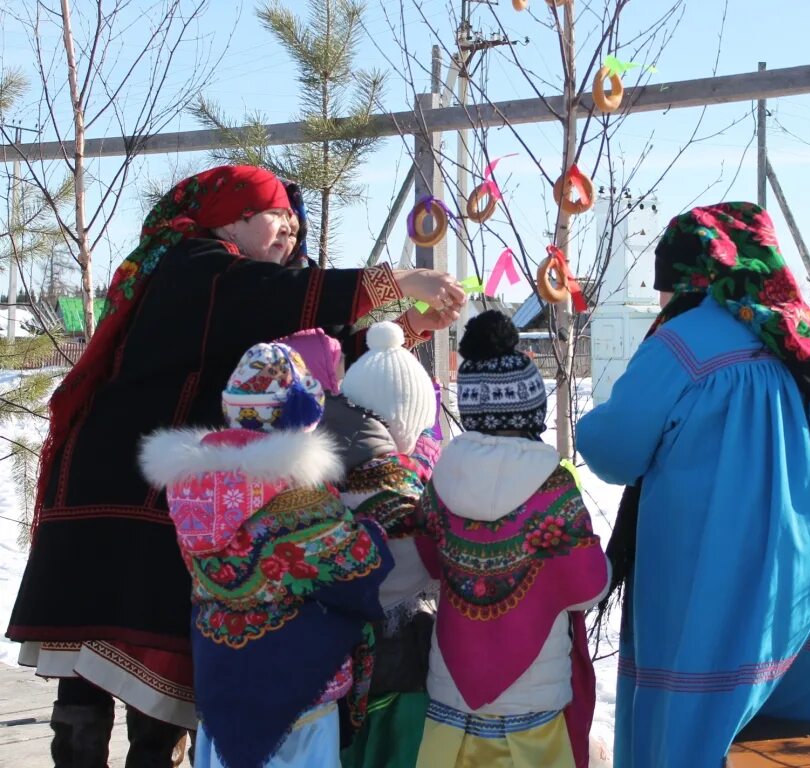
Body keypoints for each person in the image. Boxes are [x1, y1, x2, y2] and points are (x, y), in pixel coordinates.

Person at [5, 164, 465, 767]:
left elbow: (308, 351)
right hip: (127, 486)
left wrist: (402, 327)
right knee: (133, 646)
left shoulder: (218, 280)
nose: (288, 232)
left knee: (132, 651)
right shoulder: (195, 265)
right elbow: (271, 302)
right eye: (277, 217)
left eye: (294, 223)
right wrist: (399, 281)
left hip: (144, 483)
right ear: (232, 217)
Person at [576, 202, 810, 767]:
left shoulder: (687, 339)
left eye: (665, 284)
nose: (663, 299)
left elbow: (614, 448)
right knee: (805, 734)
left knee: (701, 729)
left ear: (692, 278)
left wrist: (588, 422)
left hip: (737, 569)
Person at [138, 341, 393, 768]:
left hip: (222, 680)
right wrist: (373, 528)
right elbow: (359, 570)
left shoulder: (191, 490)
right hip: (298, 687)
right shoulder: (302, 497)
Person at [414, 311, 610, 768]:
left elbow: (424, 561)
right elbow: (590, 584)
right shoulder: (552, 487)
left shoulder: (441, 480)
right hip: (533, 703)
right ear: (532, 410)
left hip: (452, 696)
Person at [297, 321, 440, 768]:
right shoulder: (404, 483)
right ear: (406, 421)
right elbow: (420, 568)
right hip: (396, 659)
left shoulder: (310, 464)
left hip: (326, 659)